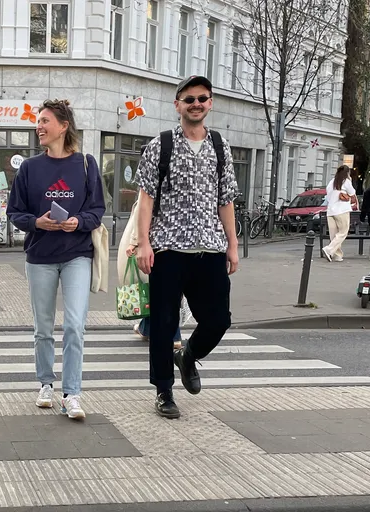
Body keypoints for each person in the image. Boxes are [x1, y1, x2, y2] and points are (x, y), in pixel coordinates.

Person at [132, 75, 239, 419]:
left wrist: (233, 245)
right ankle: (164, 390)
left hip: (210, 247)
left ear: (210, 104)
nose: (196, 104)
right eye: (189, 99)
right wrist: (144, 243)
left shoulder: (220, 147)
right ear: (177, 104)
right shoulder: (160, 145)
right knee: (163, 322)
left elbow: (226, 201)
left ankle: (189, 355)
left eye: (202, 98)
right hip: (167, 249)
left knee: (219, 319)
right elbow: (146, 199)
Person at [6, 99, 105, 420]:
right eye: (38, 121)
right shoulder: (30, 169)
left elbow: (97, 210)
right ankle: (46, 384)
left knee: (75, 326)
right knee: (43, 328)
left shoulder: (86, 165)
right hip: (40, 256)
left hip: (77, 254)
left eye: (45, 121)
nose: (40, 126)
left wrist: (79, 222)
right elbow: (14, 213)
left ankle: (72, 393)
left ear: (64, 126)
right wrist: (38, 222)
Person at [120, 197, 185, 349]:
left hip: (157, 245)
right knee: (161, 290)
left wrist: (134, 242)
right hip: (179, 245)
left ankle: (174, 335)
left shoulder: (153, 185)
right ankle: (146, 328)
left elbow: (141, 213)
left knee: (159, 290)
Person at [321, 165, 357, 262]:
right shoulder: (346, 181)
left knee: (334, 234)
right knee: (343, 232)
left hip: (330, 211)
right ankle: (329, 249)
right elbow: (352, 193)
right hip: (342, 210)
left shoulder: (331, 182)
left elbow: (327, 196)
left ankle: (337, 255)